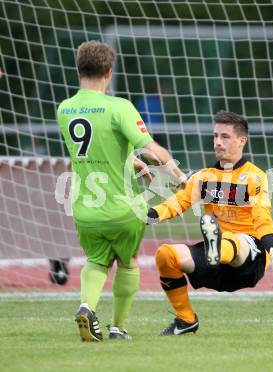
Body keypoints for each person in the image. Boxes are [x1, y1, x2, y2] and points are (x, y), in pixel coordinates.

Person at [57, 41, 186, 342]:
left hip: (84, 207)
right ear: (109, 72)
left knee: (97, 260)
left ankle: (87, 306)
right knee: (128, 262)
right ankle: (118, 328)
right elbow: (154, 152)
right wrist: (180, 178)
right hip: (121, 206)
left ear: (78, 69)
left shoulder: (65, 109)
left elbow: (98, 148)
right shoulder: (119, 107)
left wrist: (131, 161)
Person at [147, 111, 273, 336]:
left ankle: (217, 248)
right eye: (215, 136)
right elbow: (177, 203)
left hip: (249, 257)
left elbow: (262, 217)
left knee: (233, 240)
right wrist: (148, 214)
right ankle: (186, 319)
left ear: (241, 140)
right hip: (217, 261)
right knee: (165, 255)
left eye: (225, 136)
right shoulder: (203, 177)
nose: (217, 142)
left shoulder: (254, 177)